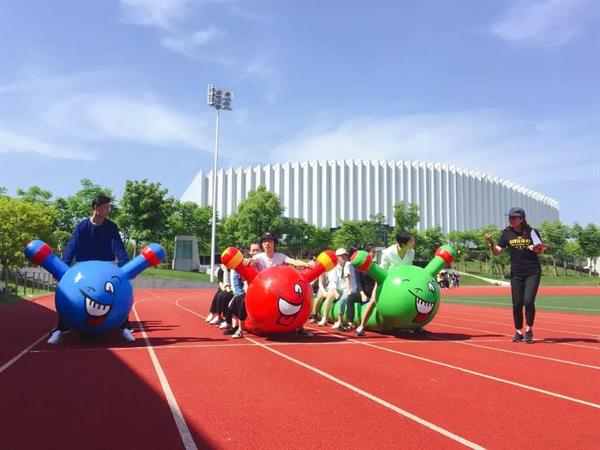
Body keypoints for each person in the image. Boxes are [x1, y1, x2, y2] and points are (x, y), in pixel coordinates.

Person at [48, 194, 133, 344]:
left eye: (109, 207)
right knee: (69, 294)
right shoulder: (82, 227)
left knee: (116, 294)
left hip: (106, 268)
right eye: (105, 207)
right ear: (96, 208)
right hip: (84, 268)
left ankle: (124, 327)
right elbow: (72, 247)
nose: (108, 210)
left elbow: (118, 247)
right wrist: (64, 266)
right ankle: (61, 328)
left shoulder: (111, 227)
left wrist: (125, 266)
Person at [485, 207, 547, 344]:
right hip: (516, 273)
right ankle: (518, 332)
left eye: (514, 218)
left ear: (521, 219)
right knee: (517, 303)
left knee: (528, 301)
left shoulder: (532, 232)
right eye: (510, 217)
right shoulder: (506, 233)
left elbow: (540, 250)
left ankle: (529, 329)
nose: (511, 220)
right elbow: (497, 252)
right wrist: (491, 244)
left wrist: (536, 249)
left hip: (532, 271)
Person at [247, 231, 314, 337]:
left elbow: (293, 261)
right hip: (264, 290)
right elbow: (252, 260)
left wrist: (306, 264)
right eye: (264, 241)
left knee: (297, 300)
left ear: (274, 243)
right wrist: (248, 260)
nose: (267, 244)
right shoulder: (259, 257)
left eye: (270, 241)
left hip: (280, 289)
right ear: (262, 244)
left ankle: (301, 327)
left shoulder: (280, 256)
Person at [356, 232, 415, 336]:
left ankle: (414, 326)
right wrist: (378, 285)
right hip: (385, 281)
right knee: (373, 301)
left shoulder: (411, 252)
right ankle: (361, 326)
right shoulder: (388, 253)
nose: (414, 242)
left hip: (402, 283)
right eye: (411, 241)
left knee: (412, 299)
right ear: (403, 243)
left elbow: (409, 268)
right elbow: (382, 270)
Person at [346, 245, 377, 329]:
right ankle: (350, 322)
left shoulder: (375, 266)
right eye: (373, 252)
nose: (374, 254)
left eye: (375, 252)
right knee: (350, 298)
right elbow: (358, 281)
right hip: (364, 292)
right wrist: (362, 294)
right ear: (367, 253)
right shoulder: (359, 266)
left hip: (373, 292)